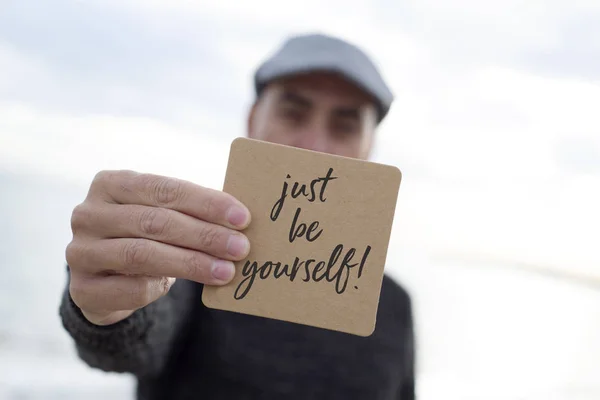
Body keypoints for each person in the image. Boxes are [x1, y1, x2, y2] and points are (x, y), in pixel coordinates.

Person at [59, 32, 415, 400]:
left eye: (345, 125)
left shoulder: (393, 307)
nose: (315, 146)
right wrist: (109, 302)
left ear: (370, 146)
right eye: (293, 112)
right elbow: (133, 341)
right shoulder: (188, 261)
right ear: (252, 120)